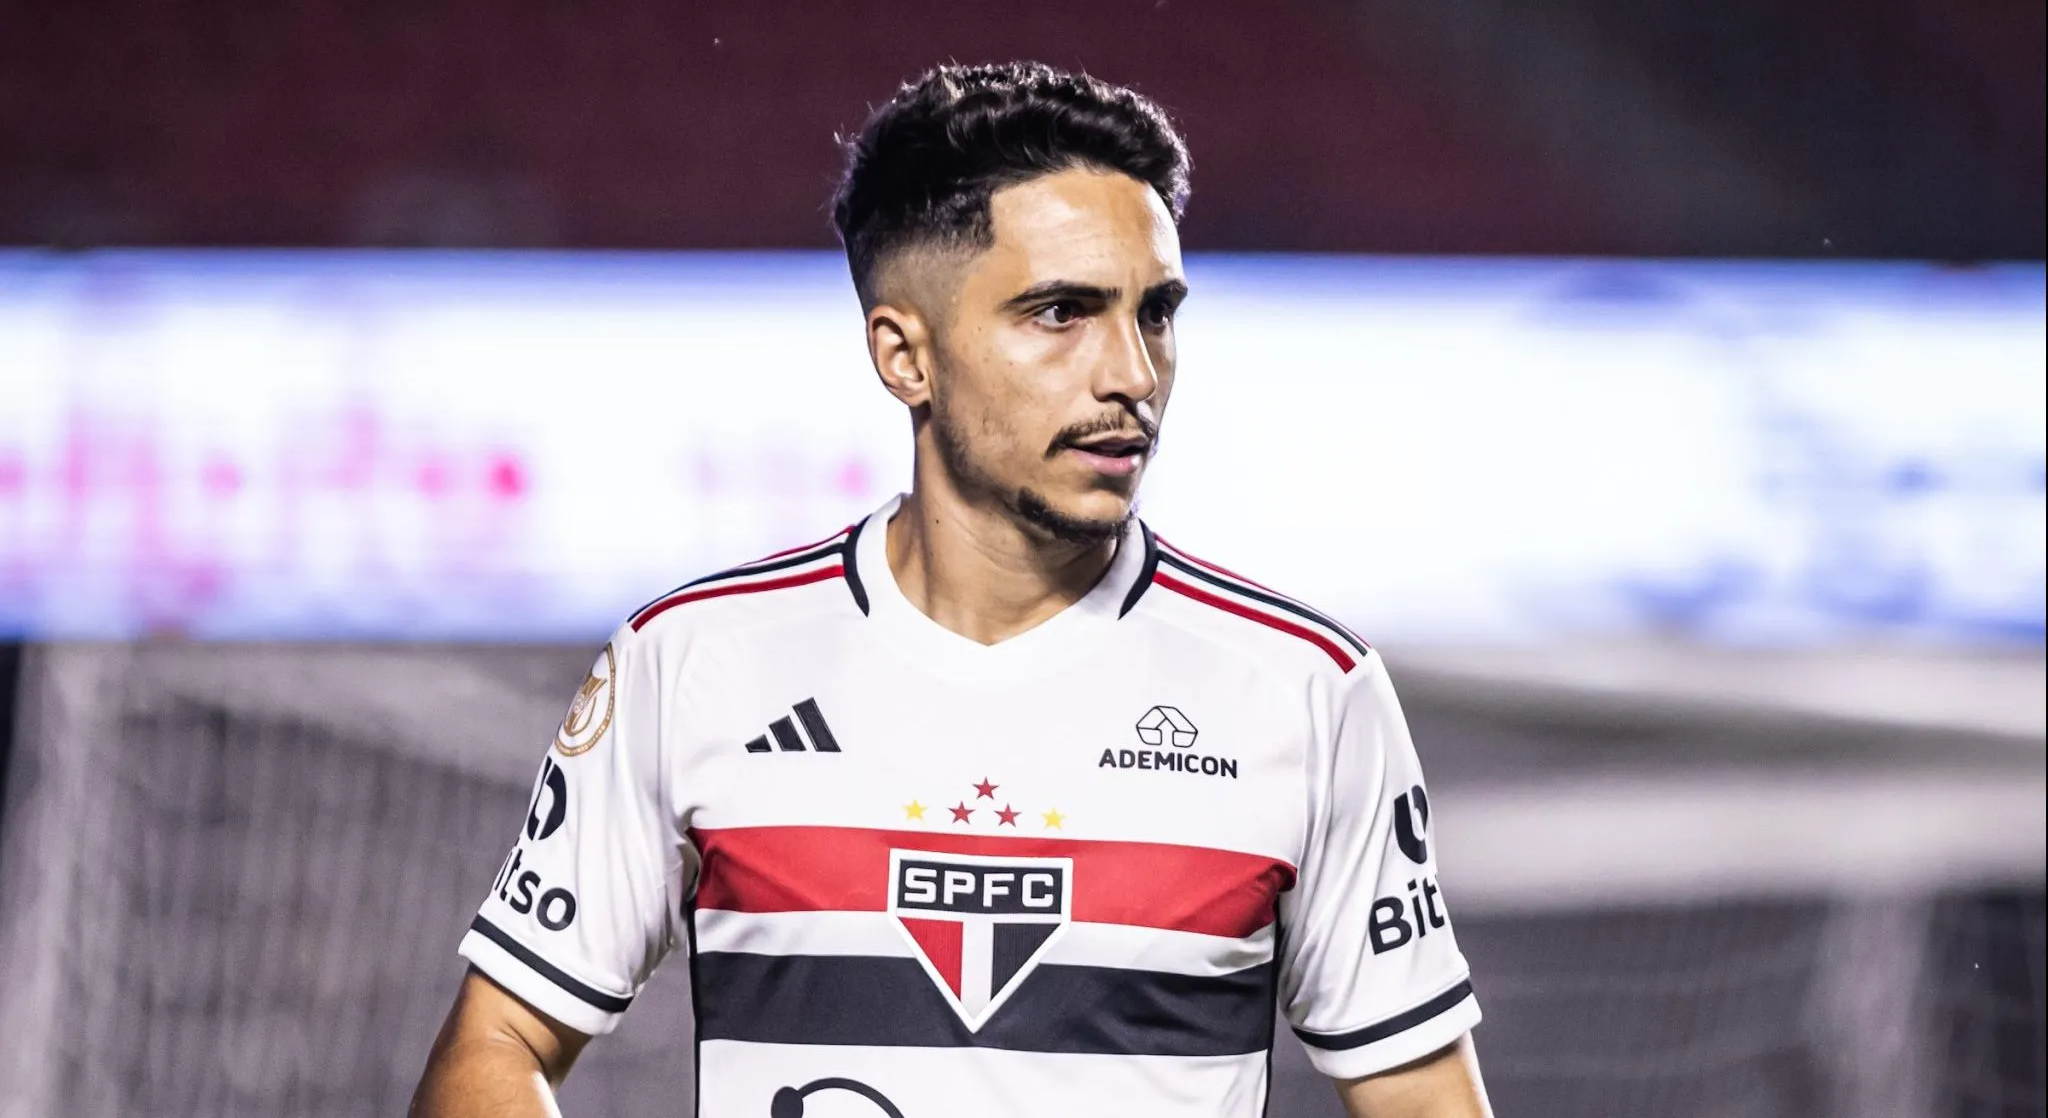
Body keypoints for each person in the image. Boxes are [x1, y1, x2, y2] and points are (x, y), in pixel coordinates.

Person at [412, 60, 1492, 1118]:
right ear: (904, 357)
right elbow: (499, 1038)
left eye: (1153, 313)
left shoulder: (1306, 691)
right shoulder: (690, 662)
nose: (1131, 373)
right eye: (1060, 312)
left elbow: (1420, 1095)